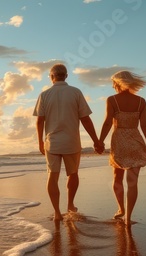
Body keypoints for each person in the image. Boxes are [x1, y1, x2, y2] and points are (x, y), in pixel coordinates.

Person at [34, 64, 104, 224]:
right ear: (66, 76)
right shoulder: (75, 92)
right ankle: (70, 204)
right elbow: (85, 119)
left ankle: (57, 212)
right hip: (71, 141)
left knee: (52, 175)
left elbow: (39, 121)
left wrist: (40, 141)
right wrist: (96, 141)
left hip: (52, 143)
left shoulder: (44, 95)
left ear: (51, 77)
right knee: (72, 173)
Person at [98, 71, 146, 225]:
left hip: (119, 141)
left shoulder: (112, 100)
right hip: (136, 141)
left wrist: (100, 141)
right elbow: (144, 125)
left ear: (117, 84)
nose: (112, 86)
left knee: (117, 177)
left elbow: (107, 123)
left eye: (113, 84)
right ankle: (128, 218)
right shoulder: (141, 101)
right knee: (133, 182)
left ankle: (120, 209)